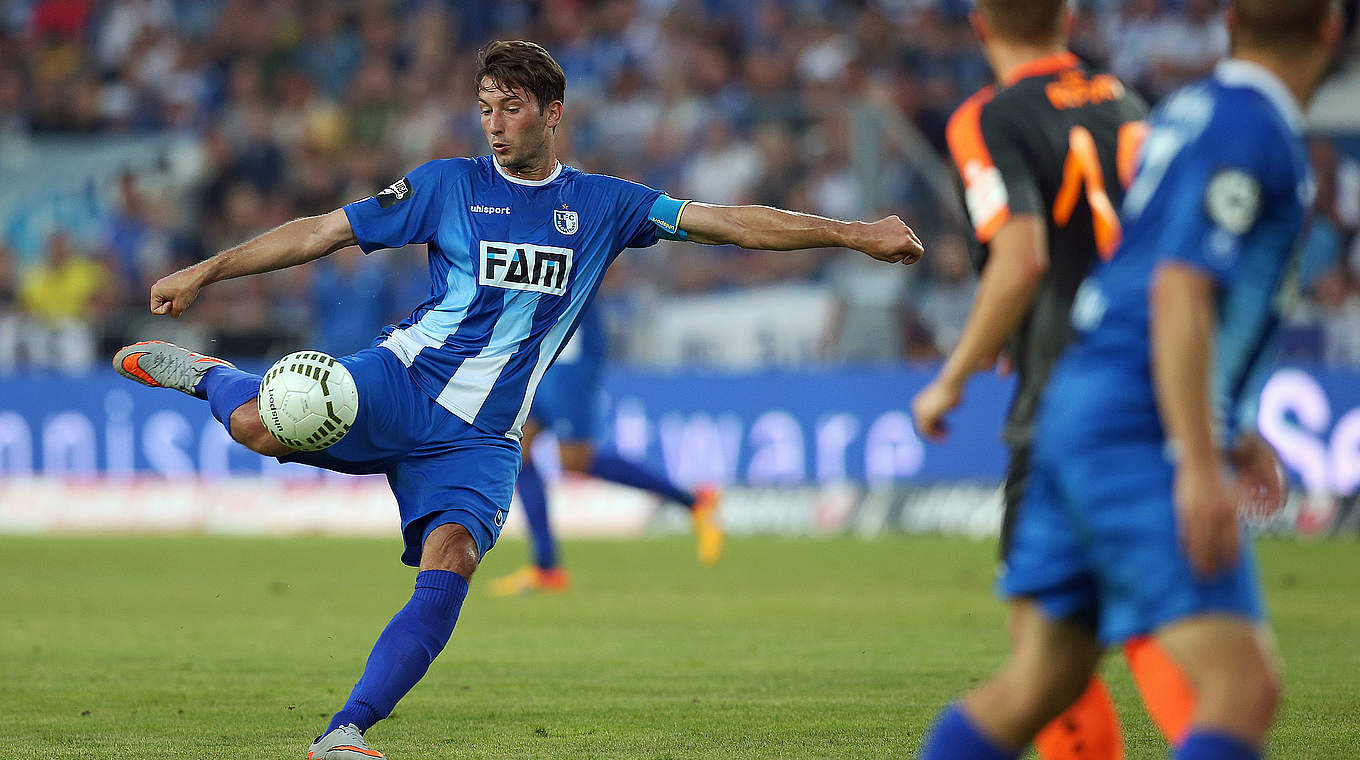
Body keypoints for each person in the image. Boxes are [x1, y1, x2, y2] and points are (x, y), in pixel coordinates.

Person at [112, 40, 923, 760]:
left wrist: (852, 233)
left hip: (484, 439)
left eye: (511, 108)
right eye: (485, 109)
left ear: (553, 113)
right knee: (260, 428)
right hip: (401, 381)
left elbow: (733, 224)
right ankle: (208, 374)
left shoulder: (608, 205)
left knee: (452, 560)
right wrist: (207, 269)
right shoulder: (445, 185)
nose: (494, 124)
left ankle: (345, 732)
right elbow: (322, 232)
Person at [914, 2, 1342, 760]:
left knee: (1042, 678)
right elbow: (1177, 287)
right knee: (1239, 688)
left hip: (1070, 397)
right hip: (1139, 416)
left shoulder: (1191, 110)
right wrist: (1201, 454)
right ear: (1334, 31)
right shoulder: (1170, 112)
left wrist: (1228, 428)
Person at [909, 2, 1195, 758]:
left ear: (979, 25)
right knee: (1148, 612)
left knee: (1049, 645)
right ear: (1067, 17)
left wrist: (953, 375)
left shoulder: (989, 117)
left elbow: (1023, 256)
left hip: (1068, 402)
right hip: (1154, 381)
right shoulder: (1126, 101)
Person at [488, 306, 723, 597]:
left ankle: (696, 501)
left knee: (574, 460)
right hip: (542, 346)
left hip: (572, 351)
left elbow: (610, 266)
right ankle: (546, 568)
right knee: (520, 451)